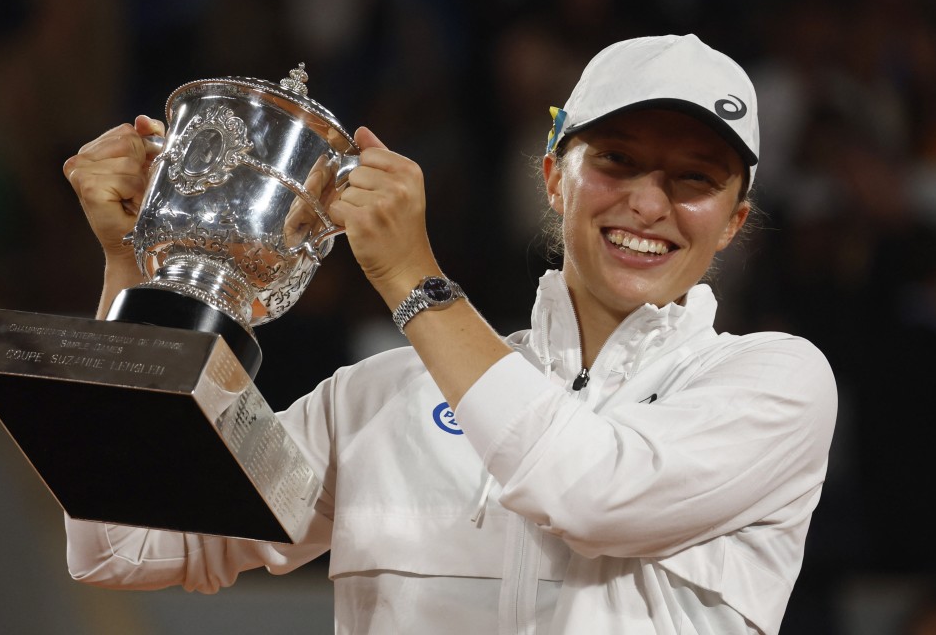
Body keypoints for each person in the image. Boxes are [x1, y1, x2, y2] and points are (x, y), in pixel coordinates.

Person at [62, 34, 837, 634]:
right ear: (554, 177)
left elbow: (589, 492)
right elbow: (124, 547)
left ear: (733, 222)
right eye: (617, 160)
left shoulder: (771, 386)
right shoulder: (378, 399)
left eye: (694, 178)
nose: (647, 203)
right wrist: (136, 273)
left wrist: (412, 277)